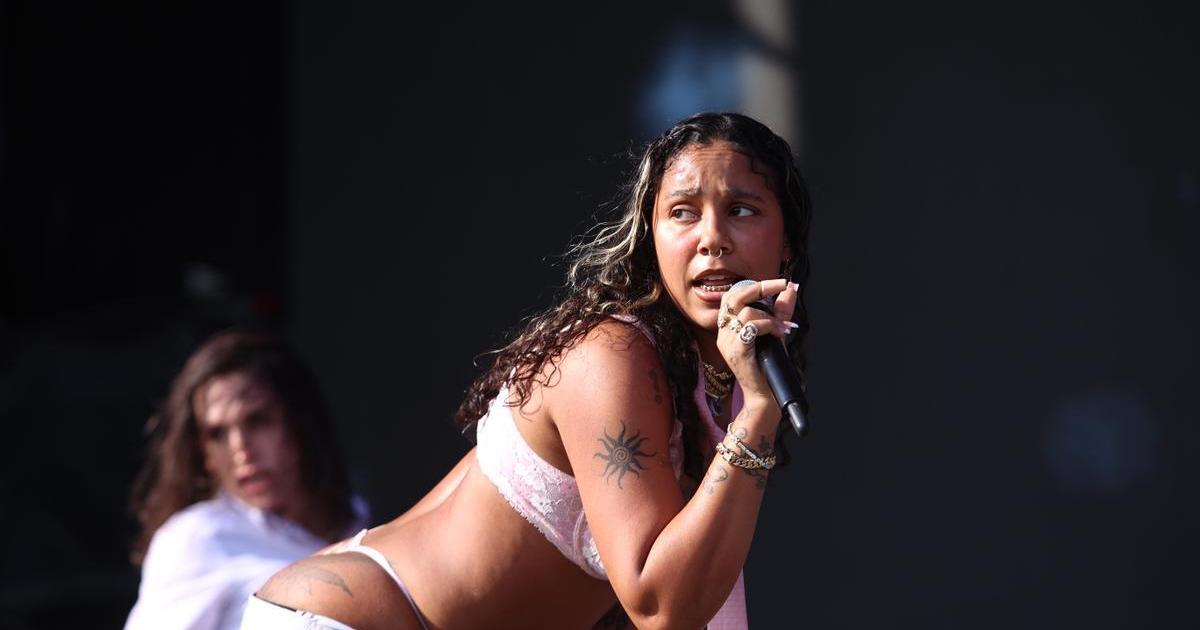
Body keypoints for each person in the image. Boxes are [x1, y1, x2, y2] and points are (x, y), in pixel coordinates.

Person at [248, 111, 812, 629]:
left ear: (785, 242)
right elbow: (660, 607)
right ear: (651, 236)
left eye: (741, 210)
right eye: (682, 212)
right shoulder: (613, 356)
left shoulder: (710, 379)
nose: (711, 239)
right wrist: (760, 412)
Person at [126, 329, 366, 630]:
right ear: (205, 455)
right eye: (217, 434)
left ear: (299, 421)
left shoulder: (354, 516)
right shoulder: (198, 538)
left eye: (257, 421)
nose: (240, 449)